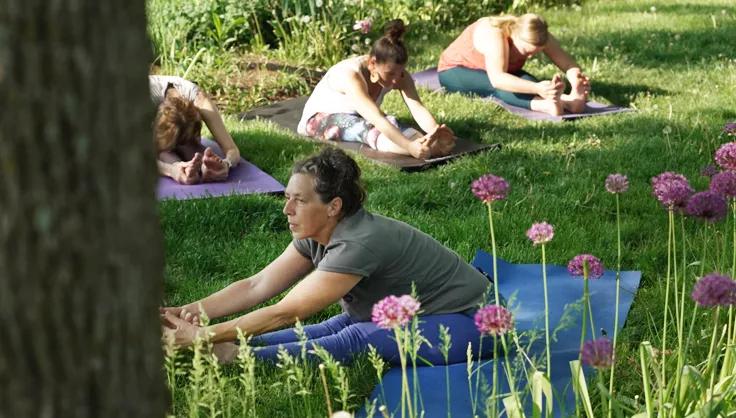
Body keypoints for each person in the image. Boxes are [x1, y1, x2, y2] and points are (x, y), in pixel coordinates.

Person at [161, 147, 498, 365]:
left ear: (333, 206)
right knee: (334, 326)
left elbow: (286, 312)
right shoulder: (316, 231)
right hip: (390, 313)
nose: (286, 209)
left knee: (353, 336)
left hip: (474, 321)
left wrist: (205, 334)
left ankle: (236, 357)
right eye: (288, 197)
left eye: (300, 201)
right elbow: (256, 285)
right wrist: (183, 312)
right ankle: (232, 350)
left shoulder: (358, 243)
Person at [297, 20, 455, 160]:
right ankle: (419, 149)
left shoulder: (398, 75)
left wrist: (436, 133)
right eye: (390, 73)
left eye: (400, 73)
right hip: (321, 120)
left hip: (361, 117)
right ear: (372, 63)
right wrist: (409, 147)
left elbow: (417, 107)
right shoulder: (350, 75)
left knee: (399, 126)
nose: (395, 79)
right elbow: (376, 119)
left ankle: (427, 147)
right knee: (369, 130)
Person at [437, 13, 590, 116]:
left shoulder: (538, 34)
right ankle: (548, 105)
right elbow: (498, 79)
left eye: (535, 53)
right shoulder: (494, 34)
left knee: (527, 80)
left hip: (499, 71)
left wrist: (576, 78)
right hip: (455, 71)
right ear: (515, 35)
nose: (529, 56)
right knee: (501, 87)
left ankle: (569, 103)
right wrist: (537, 88)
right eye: (526, 51)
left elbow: (568, 64)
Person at [150, 75, 241, 184]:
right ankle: (181, 169)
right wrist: (171, 170)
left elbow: (232, 149)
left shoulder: (201, 101)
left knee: (191, 151)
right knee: (162, 153)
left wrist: (227, 164)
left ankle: (205, 167)